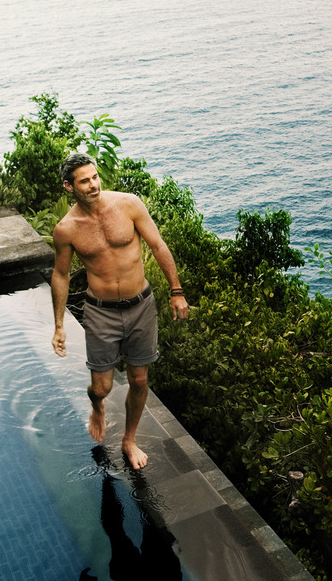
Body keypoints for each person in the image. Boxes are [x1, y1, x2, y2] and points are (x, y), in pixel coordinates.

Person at [50, 152, 189, 469]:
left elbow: (158, 245)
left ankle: (129, 439)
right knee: (103, 386)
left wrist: (176, 291)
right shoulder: (67, 229)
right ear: (69, 187)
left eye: (95, 177)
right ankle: (97, 405)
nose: (93, 184)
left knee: (140, 380)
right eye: (84, 181)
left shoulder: (128, 204)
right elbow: (60, 274)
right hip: (101, 312)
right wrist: (59, 325)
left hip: (141, 305)